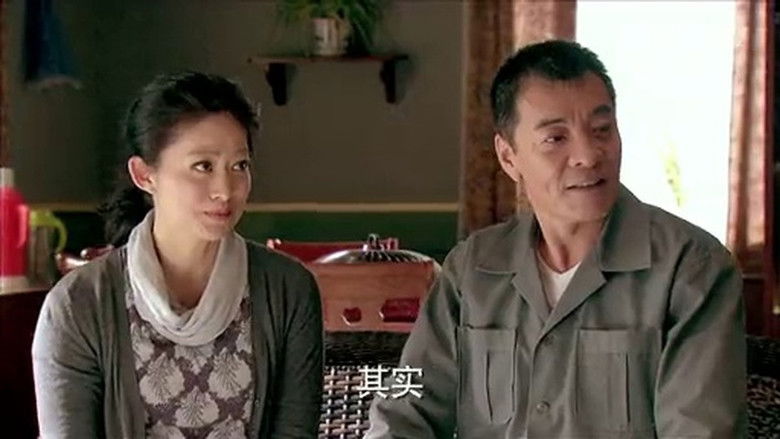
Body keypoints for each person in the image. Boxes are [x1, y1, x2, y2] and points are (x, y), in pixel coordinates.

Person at [366, 40, 746, 438]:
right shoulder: (471, 270)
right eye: (556, 138)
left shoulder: (692, 269)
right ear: (509, 157)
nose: (589, 155)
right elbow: (405, 410)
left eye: (601, 130)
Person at [32, 72, 324, 438]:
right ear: (144, 174)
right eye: (203, 166)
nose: (225, 190)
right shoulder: (79, 305)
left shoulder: (288, 291)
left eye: (239, 166)